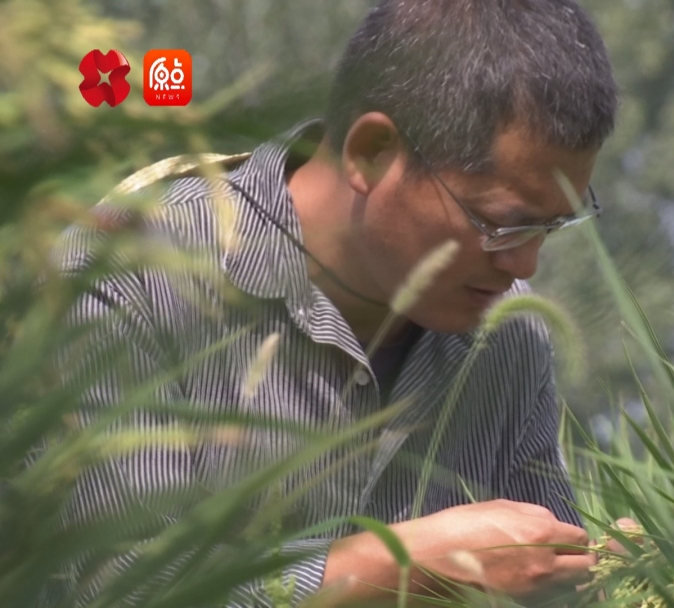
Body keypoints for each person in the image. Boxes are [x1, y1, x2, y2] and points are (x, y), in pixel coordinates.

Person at [50, 0, 631, 605]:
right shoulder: (125, 277)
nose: (523, 263)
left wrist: (621, 570)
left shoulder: (511, 335)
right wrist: (396, 569)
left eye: (550, 228)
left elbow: (544, 589)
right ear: (372, 152)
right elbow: (120, 585)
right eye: (500, 225)